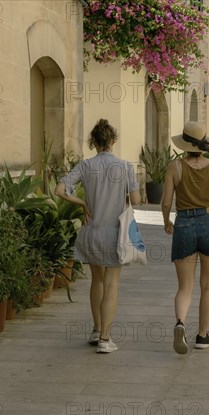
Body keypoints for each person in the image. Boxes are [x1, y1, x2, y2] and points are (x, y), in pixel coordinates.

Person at [55, 119, 140, 354]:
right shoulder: (125, 167)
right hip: (115, 234)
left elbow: (59, 190)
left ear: (94, 142)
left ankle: (96, 329)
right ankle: (105, 338)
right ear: (112, 141)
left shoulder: (85, 166)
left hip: (91, 233)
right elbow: (137, 200)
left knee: (97, 281)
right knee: (112, 283)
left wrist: (82, 202)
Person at [161, 121, 209, 354]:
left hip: (183, 224)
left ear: (184, 144)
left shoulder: (175, 167)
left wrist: (166, 221)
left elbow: (166, 202)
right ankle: (202, 335)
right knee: (208, 285)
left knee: (185, 287)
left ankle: (180, 322)